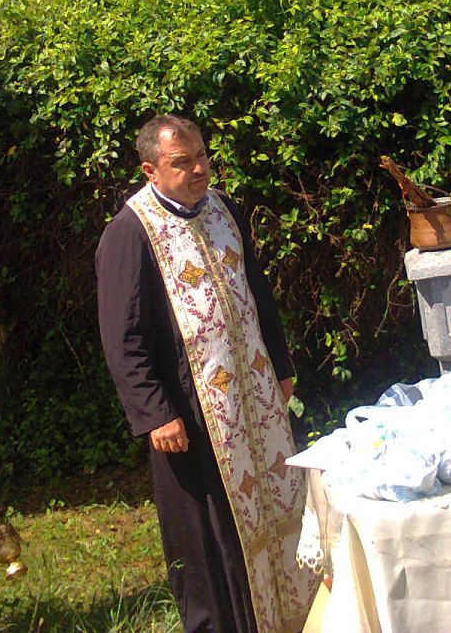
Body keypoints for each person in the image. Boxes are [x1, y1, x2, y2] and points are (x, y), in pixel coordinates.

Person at [96, 115, 317, 633]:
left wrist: (280, 365)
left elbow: (256, 290)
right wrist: (155, 412)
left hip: (254, 394)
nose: (199, 169)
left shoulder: (222, 208)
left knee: (276, 502)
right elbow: (122, 333)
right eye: (183, 162)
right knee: (211, 531)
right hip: (192, 410)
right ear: (150, 170)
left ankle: (291, 616)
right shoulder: (131, 232)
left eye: (202, 156)